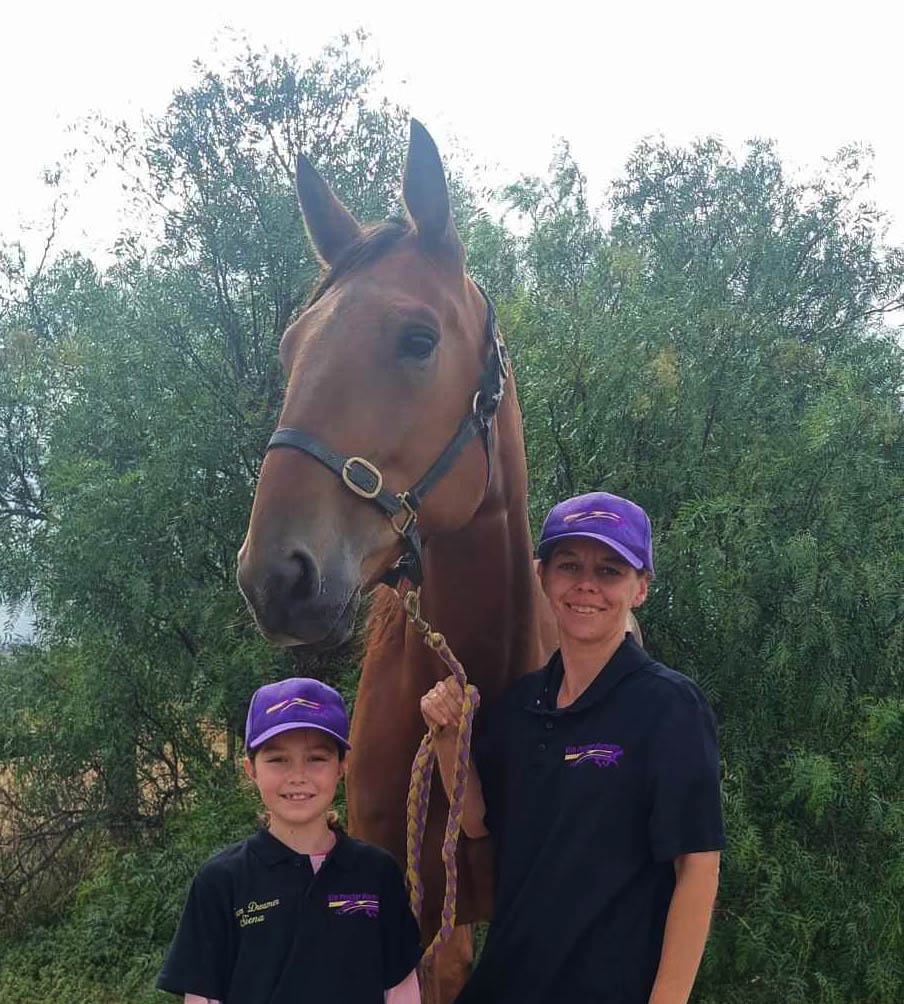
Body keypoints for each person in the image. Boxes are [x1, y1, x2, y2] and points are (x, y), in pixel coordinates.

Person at [421, 491, 725, 1004]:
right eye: (570, 565)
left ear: (641, 588)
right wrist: (448, 735)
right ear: (542, 576)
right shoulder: (519, 706)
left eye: (610, 570)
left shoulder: (669, 707)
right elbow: (476, 821)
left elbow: (696, 866)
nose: (587, 584)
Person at [157, 677, 423, 1004]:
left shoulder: (377, 873)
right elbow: (202, 997)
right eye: (278, 759)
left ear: (342, 766)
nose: (298, 775)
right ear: (250, 770)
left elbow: (401, 990)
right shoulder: (221, 881)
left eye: (316, 758)